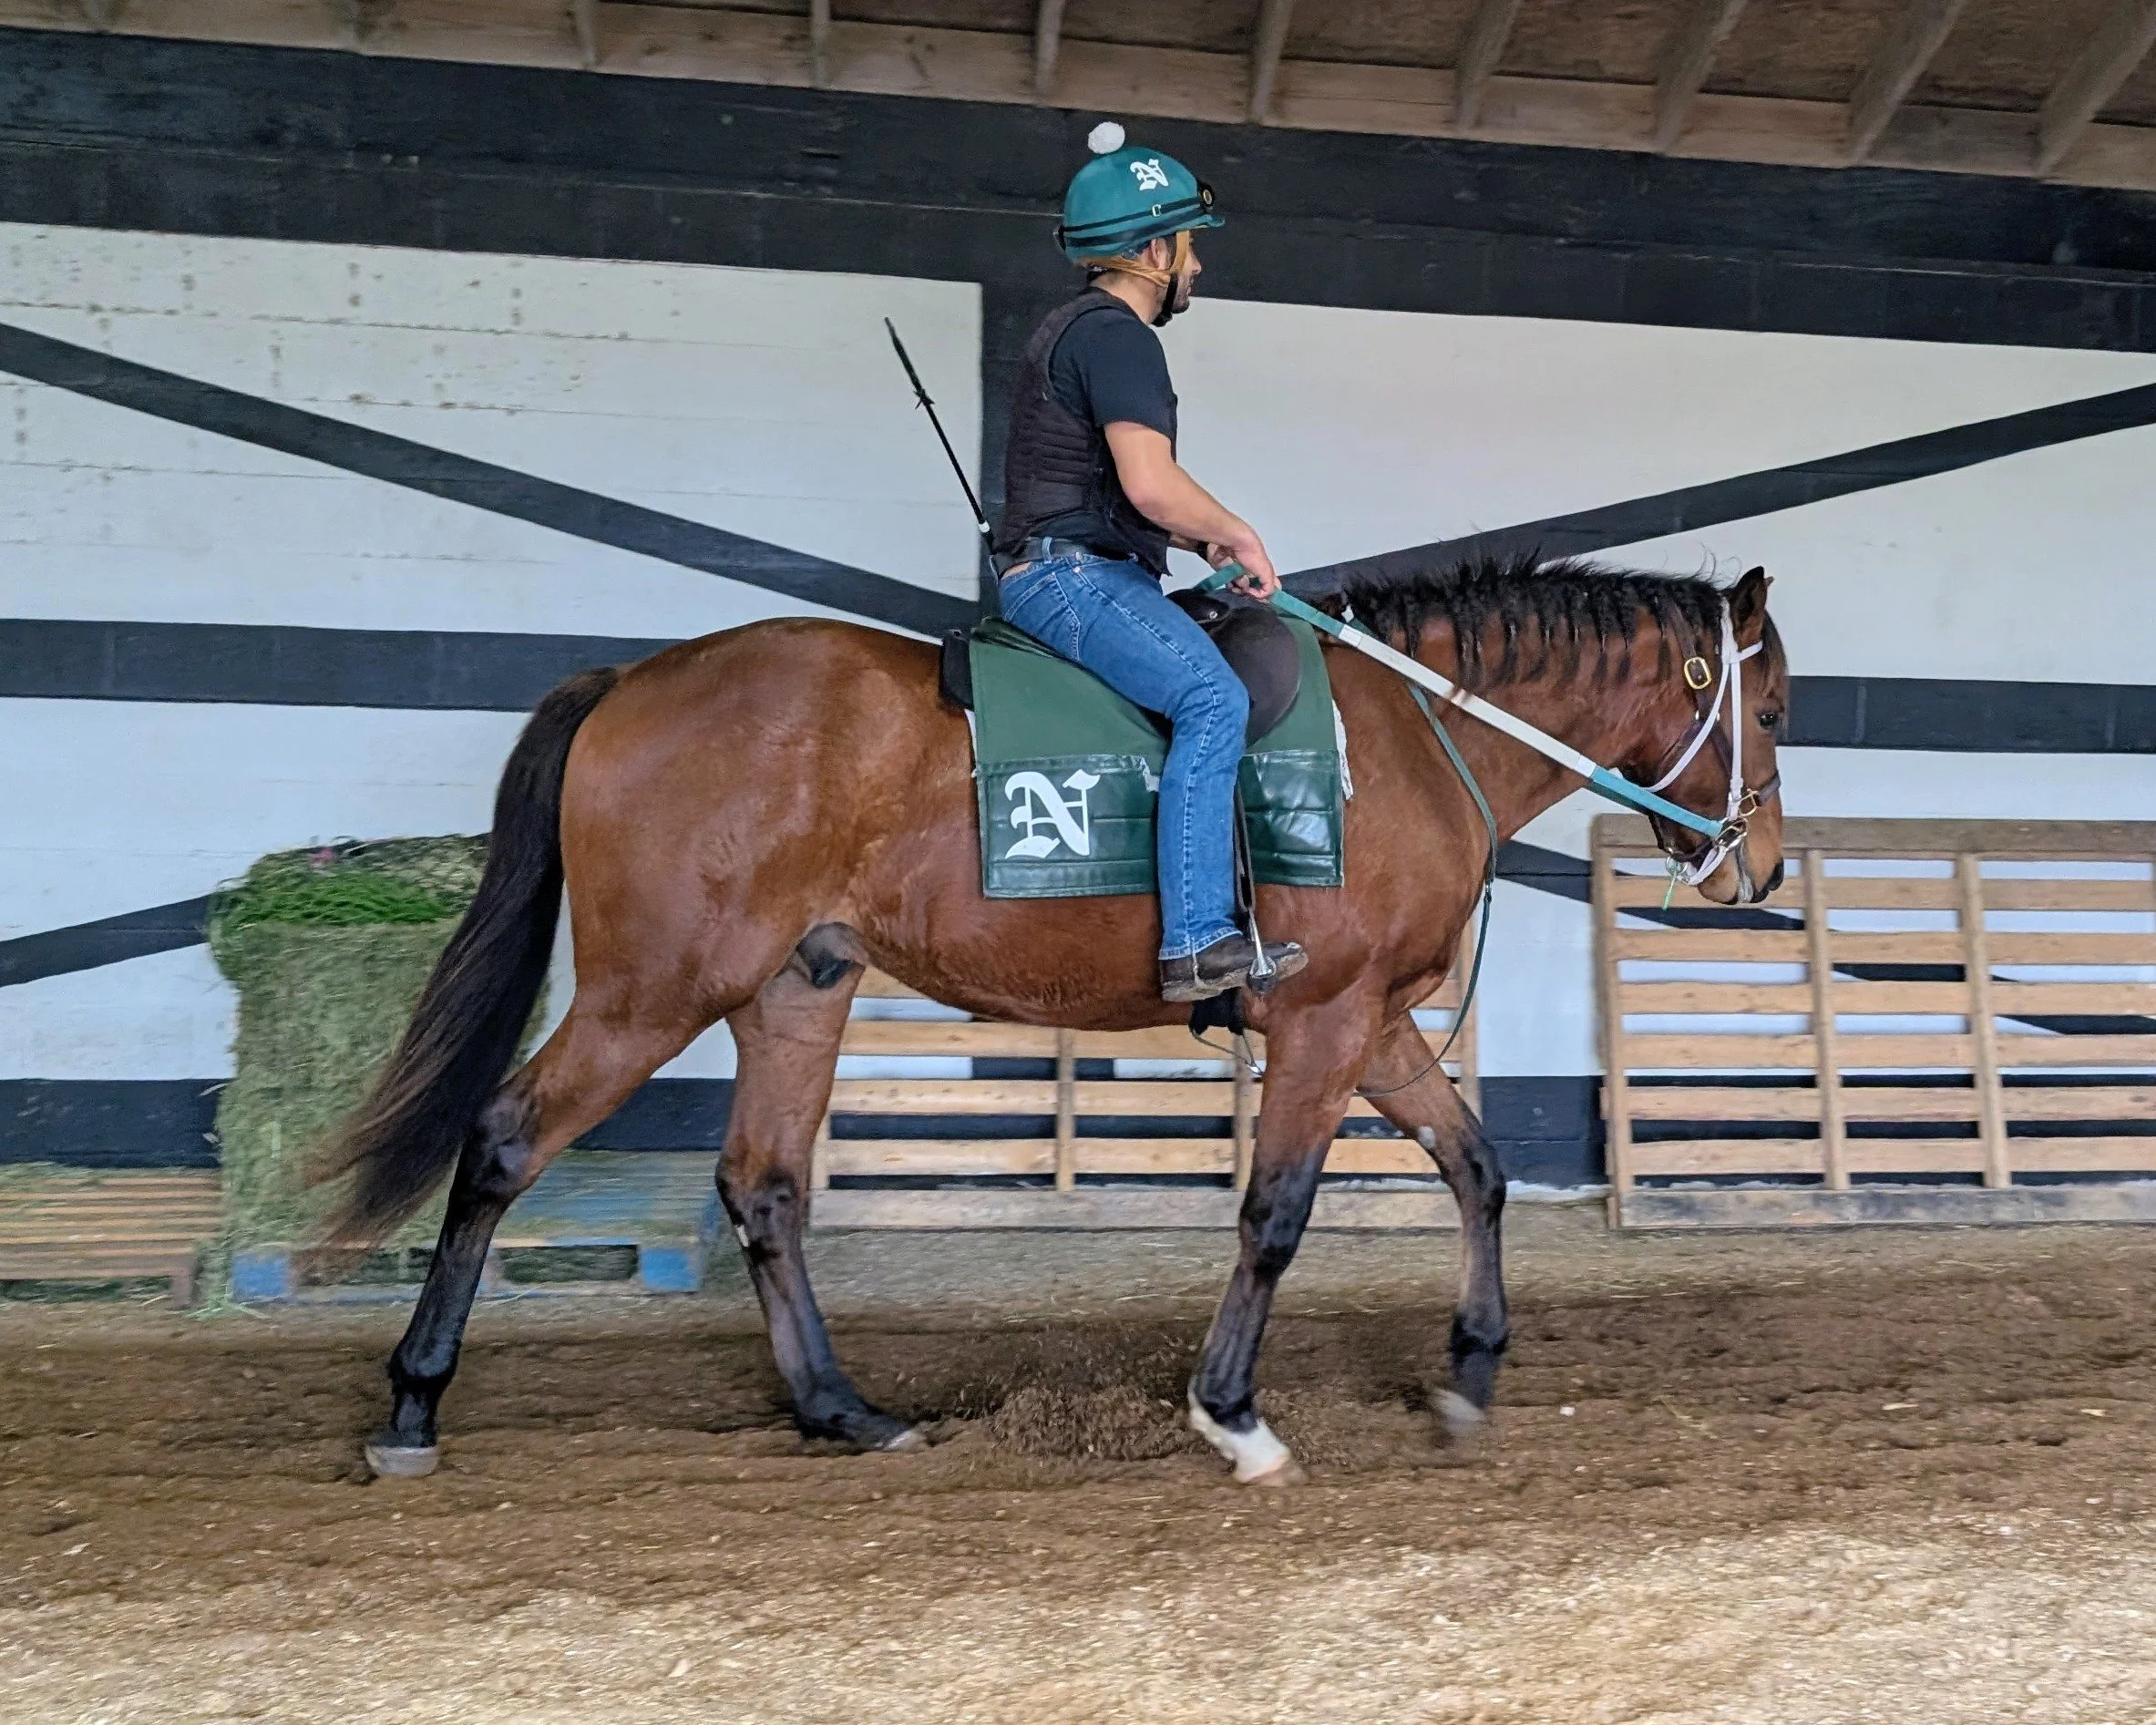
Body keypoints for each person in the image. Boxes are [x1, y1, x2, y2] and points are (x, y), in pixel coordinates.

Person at [992, 122, 1309, 1005]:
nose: (1194, 268)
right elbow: (1150, 481)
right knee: (1214, 699)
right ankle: (1197, 941)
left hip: (1065, 564)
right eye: (1187, 249)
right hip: (1072, 578)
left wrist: (1193, 541)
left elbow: (1110, 492)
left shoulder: (1073, 330)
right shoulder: (1121, 337)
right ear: (1150, 250)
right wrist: (1235, 530)